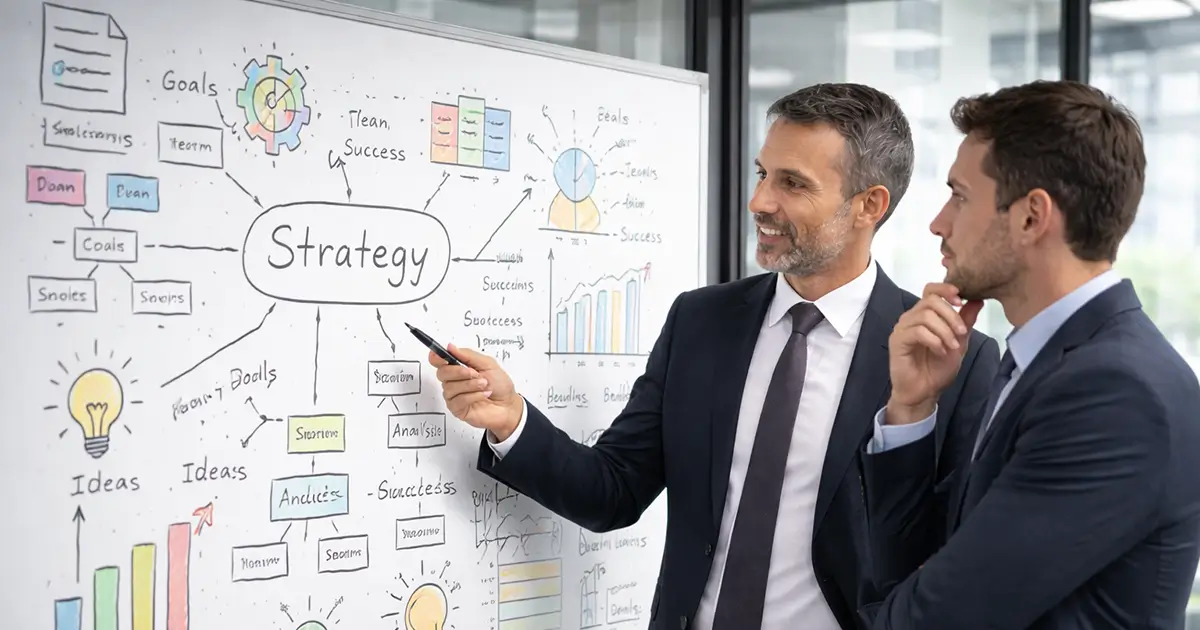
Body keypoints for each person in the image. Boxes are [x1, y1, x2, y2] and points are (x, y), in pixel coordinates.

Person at [430, 83, 999, 630]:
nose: (759, 201)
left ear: (868, 205)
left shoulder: (952, 359)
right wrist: (511, 421)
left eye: (792, 184)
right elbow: (614, 490)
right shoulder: (701, 322)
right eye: (761, 174)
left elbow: (947, 555)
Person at [858, 79, 1200, 629]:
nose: (938, 223)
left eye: (960, 196)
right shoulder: (1039, 364)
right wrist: (911, 409)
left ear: (1031, 217)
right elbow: (925, 569)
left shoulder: (1113, 391)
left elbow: (935, 618)